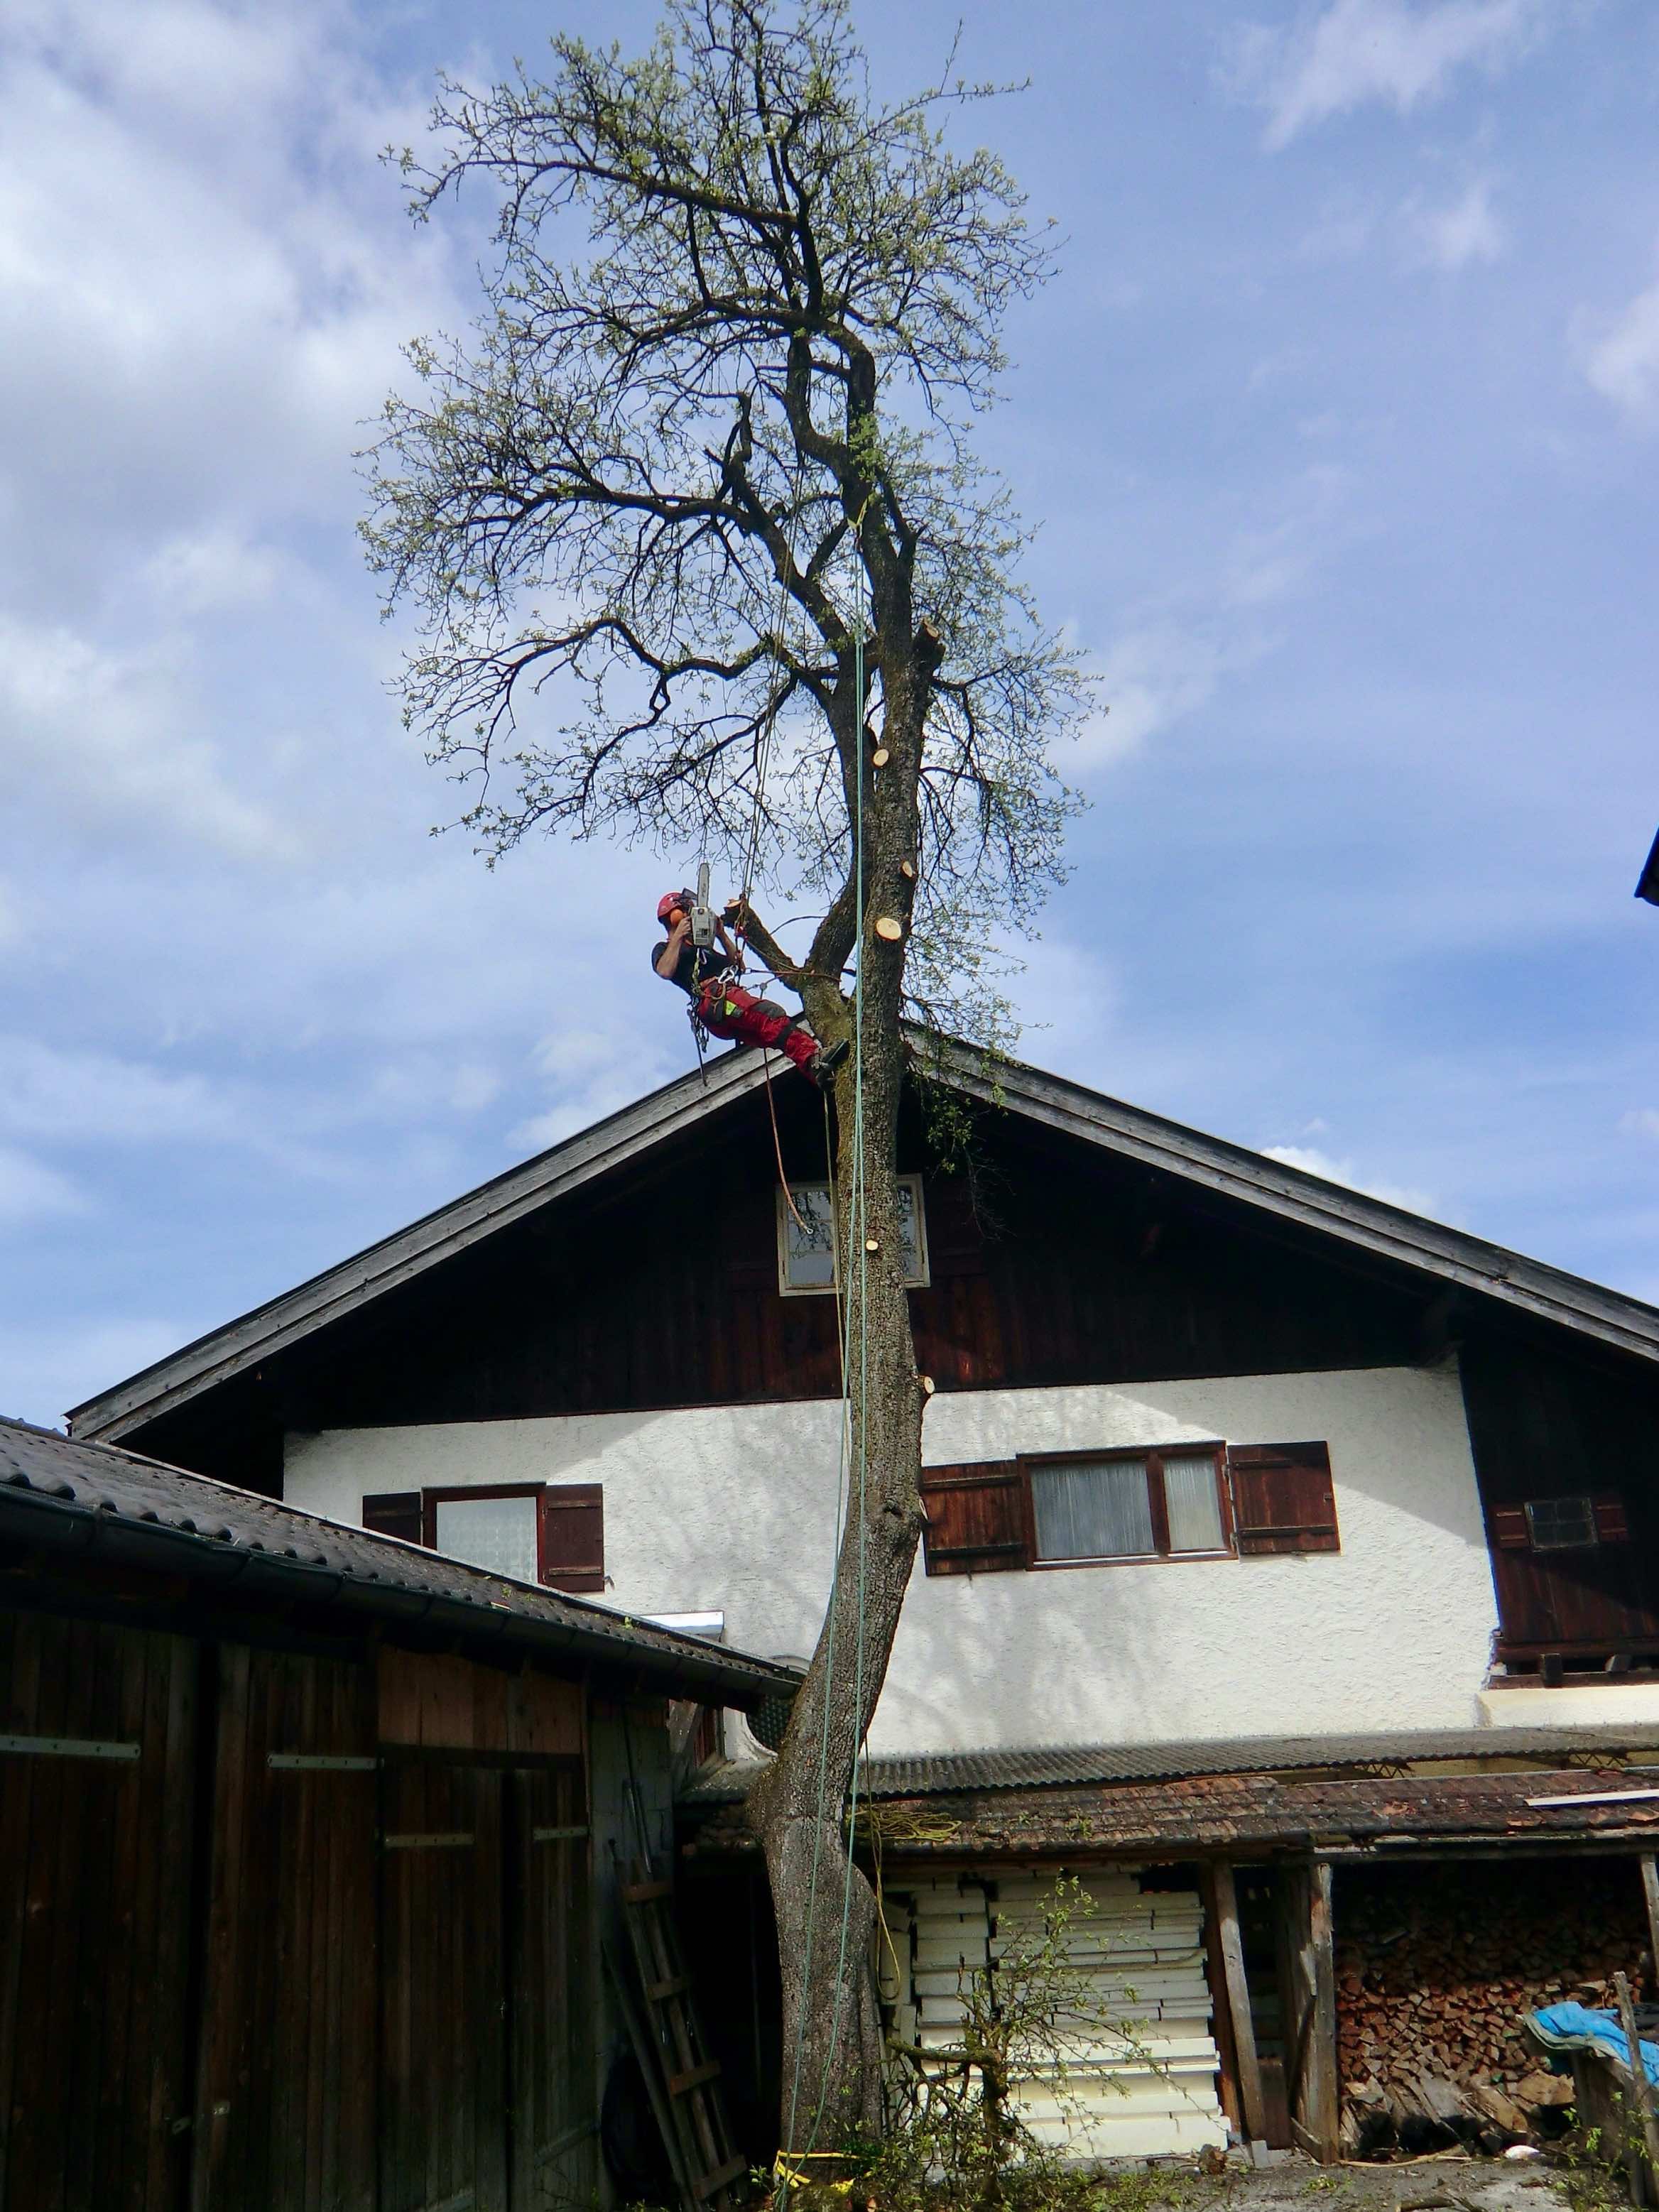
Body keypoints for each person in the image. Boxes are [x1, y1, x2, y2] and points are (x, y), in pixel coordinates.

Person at [651, 890, 847, 1083]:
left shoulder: (703, 950)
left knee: (775, 1033)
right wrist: (678, 937)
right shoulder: (665, 949)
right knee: (770, 1014)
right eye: (686, 910)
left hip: (724, 1007)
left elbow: (738, 966)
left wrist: (721, 935)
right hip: (716, 1000)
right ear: (675, 914)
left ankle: (818, 1073)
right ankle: (813, 1058)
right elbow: (665, 971)